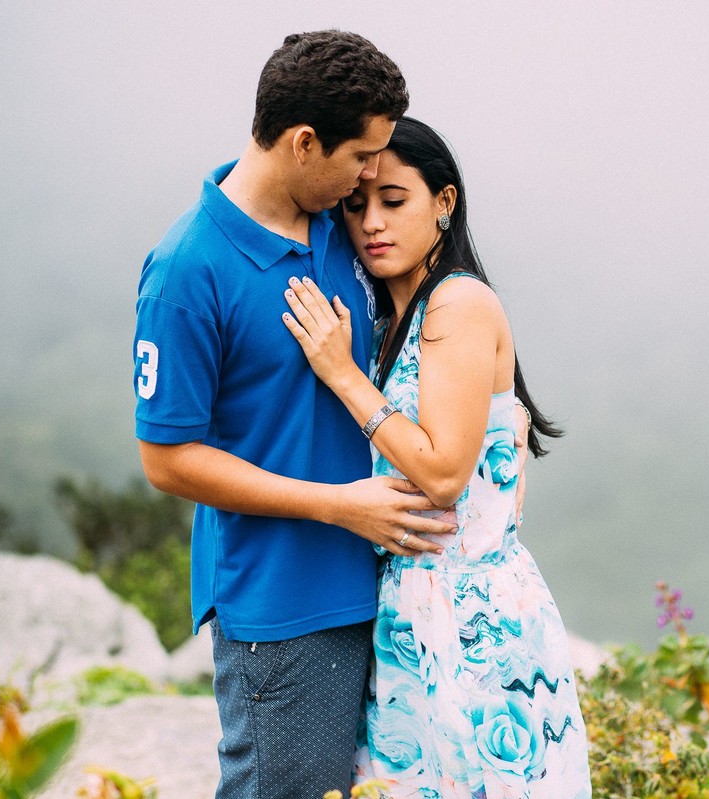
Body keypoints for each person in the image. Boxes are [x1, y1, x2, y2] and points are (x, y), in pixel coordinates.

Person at [132, 31, 465, 798]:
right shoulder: (186, 271)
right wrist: (338, 506)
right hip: (286, 604)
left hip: (383, 583)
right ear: (305, 142)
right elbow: (166, 459)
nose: (372, 175)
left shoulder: (338, 227)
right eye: (360, 157)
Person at [281, 116, 592, 797]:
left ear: (443, 203)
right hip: (409, 613)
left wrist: (343, 376)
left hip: (472, 620)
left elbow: (445, 473)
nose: (372, 223)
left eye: (395, 200)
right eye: (357, 205)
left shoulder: (459, 303)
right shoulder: (394, 321)